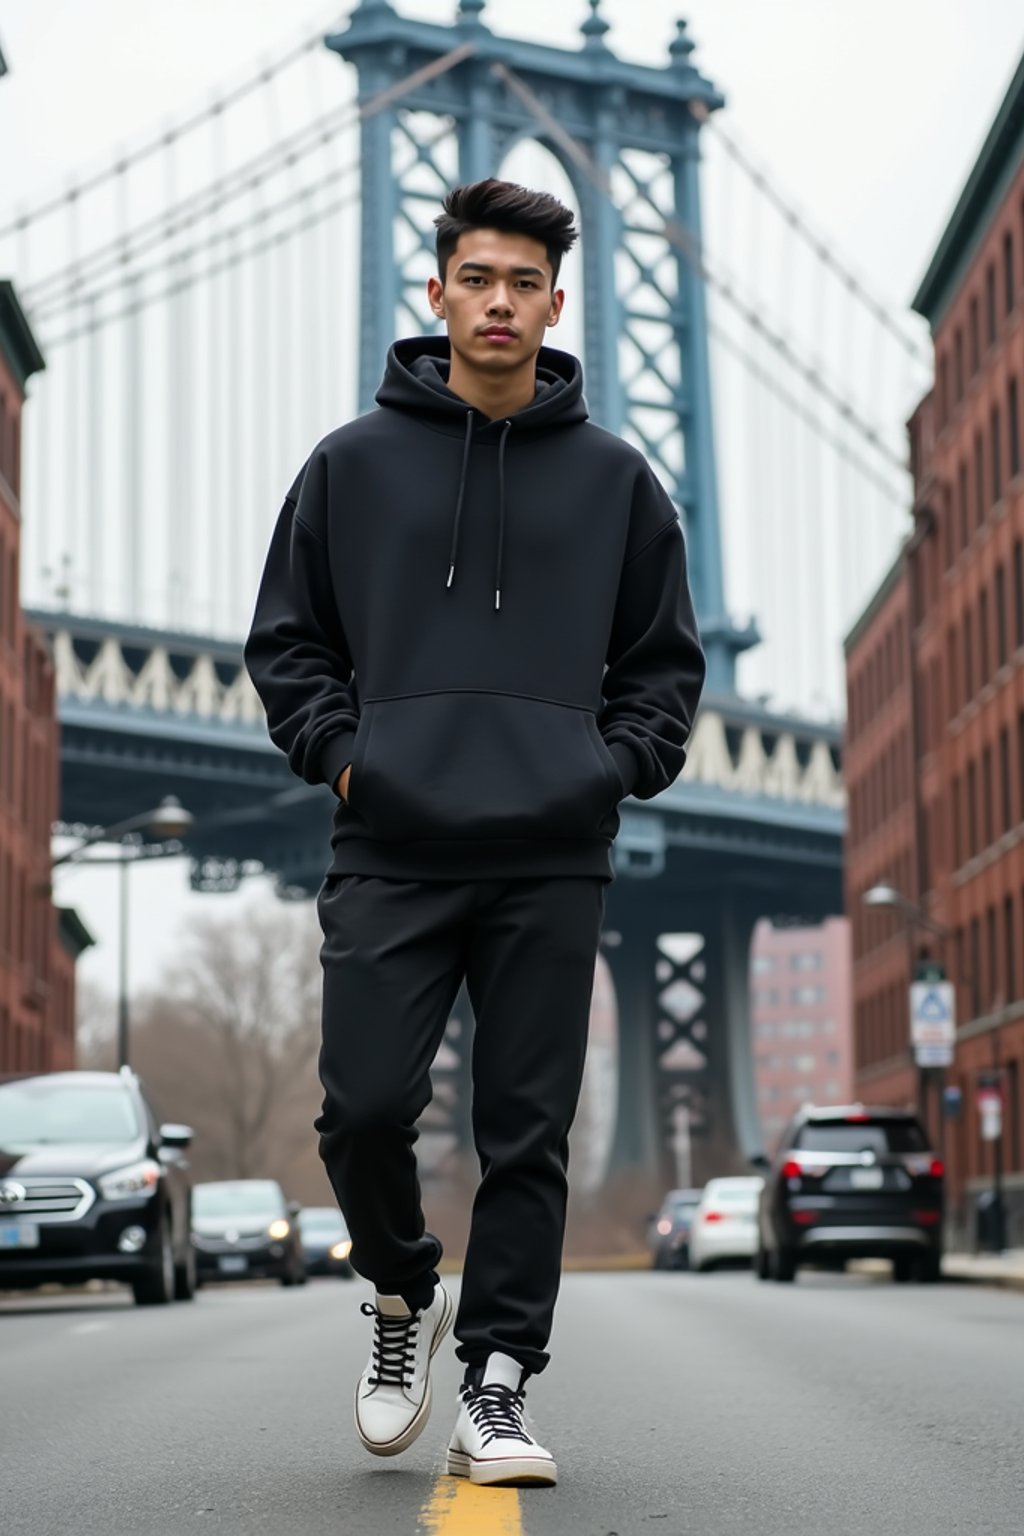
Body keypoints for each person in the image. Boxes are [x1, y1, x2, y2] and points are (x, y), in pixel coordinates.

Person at [244, 178, 706, 1488]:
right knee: (363, 1110)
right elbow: (288, 643)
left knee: (525, 1130)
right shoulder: (351, 464)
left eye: (524, 285)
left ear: (556, 306)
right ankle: (401, 1295)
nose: (499, 303)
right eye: (477, 279)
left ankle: (498, 1385)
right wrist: (344, 760)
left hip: (551, 854)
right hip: (389, 842)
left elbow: (664, 671)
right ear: (439, 291)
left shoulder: (621, 482)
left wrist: (607, 771)